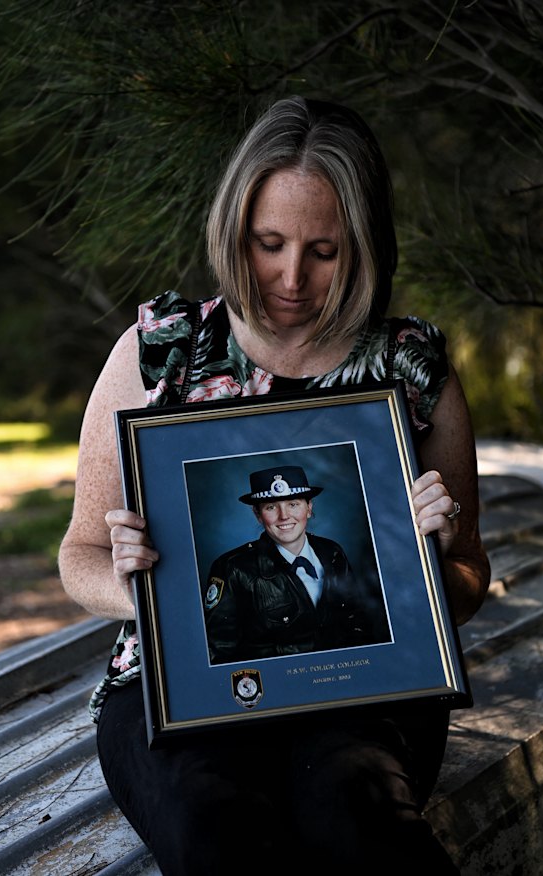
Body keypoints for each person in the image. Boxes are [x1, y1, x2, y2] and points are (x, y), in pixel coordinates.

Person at [59, 95, 490, 875]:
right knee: (212, 828)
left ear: (364, 243)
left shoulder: (411, 369)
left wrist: (442, 555)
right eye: (269, 243)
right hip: (177, 689)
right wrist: (149, 595)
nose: (292, 277)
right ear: (235, 231)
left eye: (324, 250)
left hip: (364, 692)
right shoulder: (162, 352)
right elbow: (78, 555)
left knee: (359, 823)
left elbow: (466, 584)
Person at [203, 464, 390, 664]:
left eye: (293, 504)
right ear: (258, 514)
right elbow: (219, 653)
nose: (284, 516)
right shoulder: (232, 568)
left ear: (309, 508)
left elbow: (357, 622)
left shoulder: (332, 552)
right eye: (271, 507)